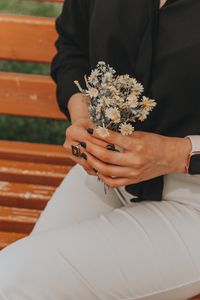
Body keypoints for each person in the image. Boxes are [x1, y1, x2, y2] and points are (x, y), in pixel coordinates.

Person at [0, 0, 200, 299]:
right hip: (106, 176)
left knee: (15, 280)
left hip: (193, 201)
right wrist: (82, 112)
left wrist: (179, 153)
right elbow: (72, 46)